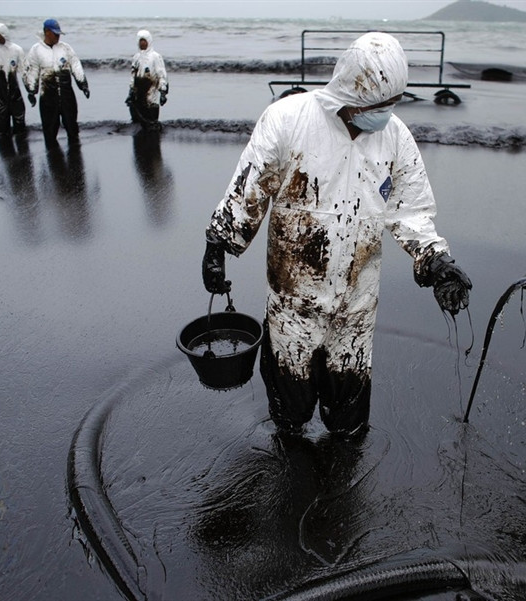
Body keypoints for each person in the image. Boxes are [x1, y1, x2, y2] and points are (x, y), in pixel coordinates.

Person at [201, 32, 472, 438]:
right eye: (379, 104)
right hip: (294, 296)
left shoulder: (395, 137)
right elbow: (249, 189)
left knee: (348, 416)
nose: (387, 112)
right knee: (289, 409)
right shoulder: (288, 120)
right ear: (351, 90)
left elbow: (411, 212)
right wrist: (218, 245)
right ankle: (292, 458)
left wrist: (438, 263)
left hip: (356, 303)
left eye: (392, 102)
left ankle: (340, 453)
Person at [24, 19, 90, 146]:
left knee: (72, 126)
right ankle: (52, 156)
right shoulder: (36, 50)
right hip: (48, 95)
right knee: (49, 128)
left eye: (59, 34)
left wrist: (83, 85)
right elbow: (32, 70)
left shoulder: (65, 48)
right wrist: (31, 91)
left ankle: (75, 156)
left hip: (67, 94)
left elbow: (76, 65)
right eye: (56, 34)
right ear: (47, 32)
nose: (58, 36)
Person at [125, 30, 169, 131]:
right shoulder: (136, 57)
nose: (142, 43)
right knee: (138, 127)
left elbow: (162, 75)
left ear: (149, 41)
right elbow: (133, 76)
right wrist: (131, 91)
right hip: (138, 97)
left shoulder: (155, 57)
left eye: (144, 41)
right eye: (140, 41)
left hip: (151, 97)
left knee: (152, 125)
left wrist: (163, 93)